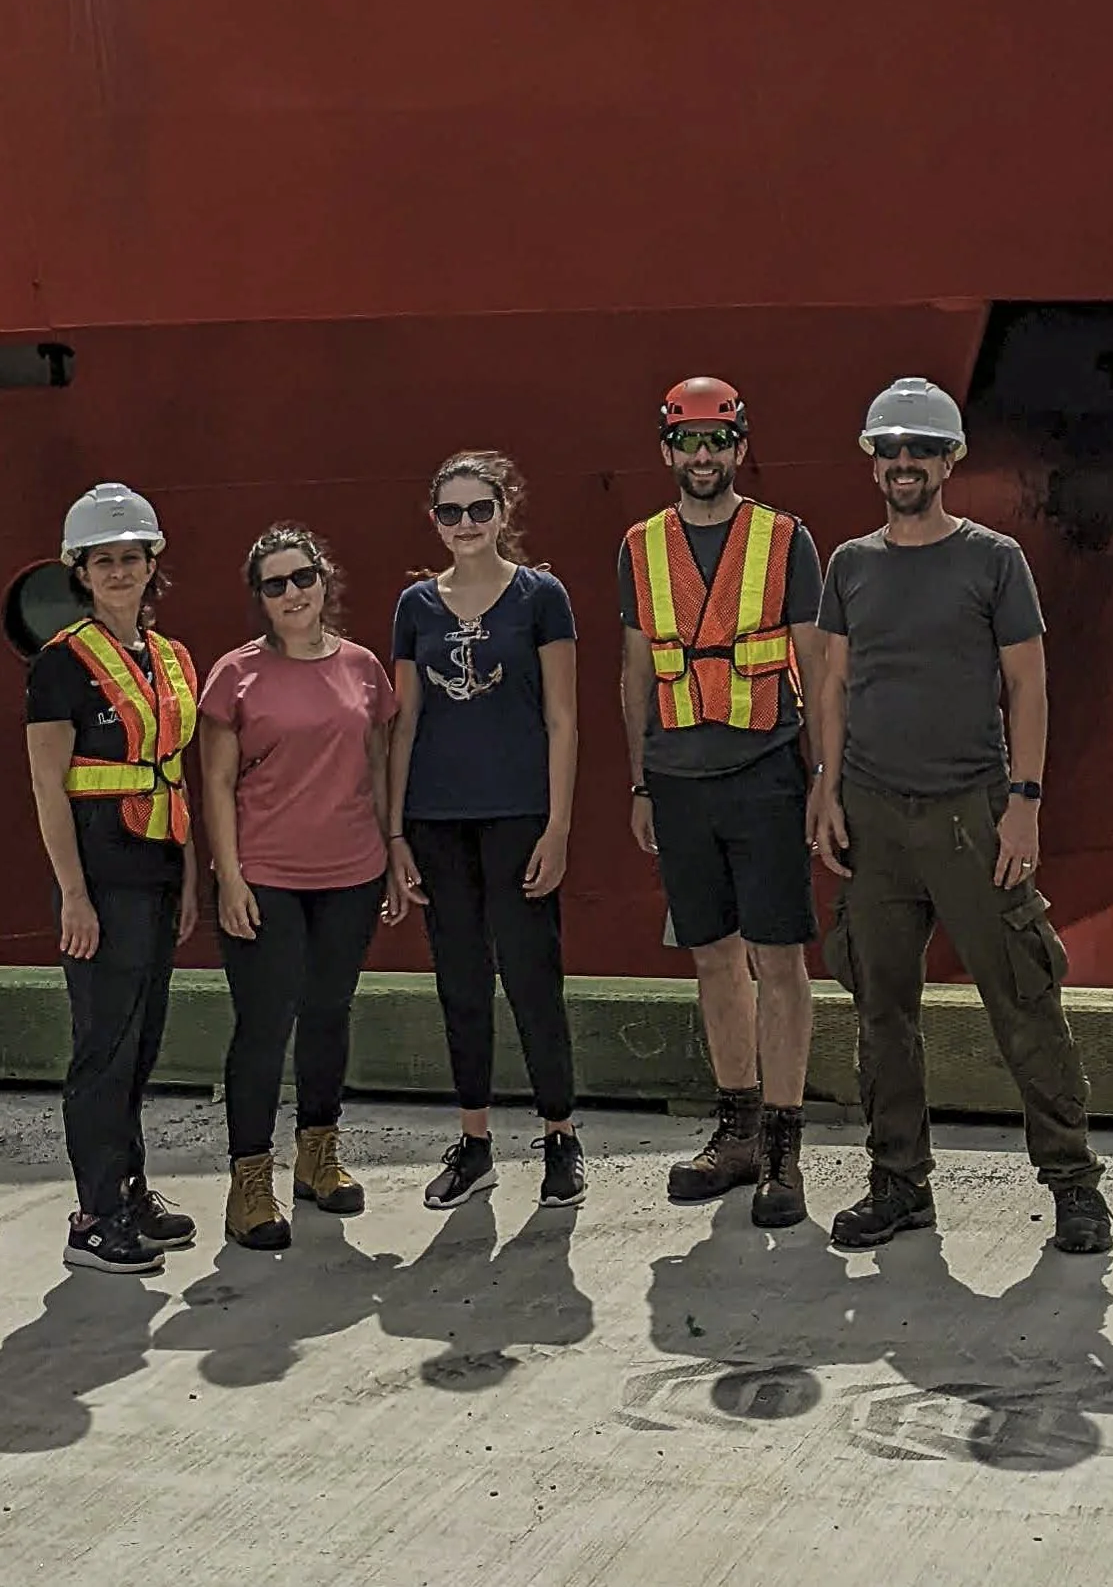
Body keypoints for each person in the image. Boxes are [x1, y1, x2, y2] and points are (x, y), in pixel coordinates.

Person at [809, 378, 1113, 1257]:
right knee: (880, 1009)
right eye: (889, 450)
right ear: (874, 464)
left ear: (949, 461)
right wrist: (824, 787)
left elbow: (1027, 684)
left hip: (970, 815)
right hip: (873, 816)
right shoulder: (849, 565)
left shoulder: (993, 560)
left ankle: (1073, 1186)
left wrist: (1024, 803)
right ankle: (898, 1183)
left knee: (1022, 997)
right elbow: (832, 681)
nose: (903, 463)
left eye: (920, 449)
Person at [620, 376, 825, 1229]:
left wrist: (825, 780)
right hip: (677, 781)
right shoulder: (641, 546)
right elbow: (635, 671)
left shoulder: (785, 540)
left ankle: (782, 1147)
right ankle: (735, 1131)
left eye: (717, 440)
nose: (702, 456)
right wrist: (639, 781)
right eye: (687, 441)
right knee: (711, 957)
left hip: (766, 772)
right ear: (665, 450)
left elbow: (818, 665)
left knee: (778, 959)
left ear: (741, 447)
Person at [198, 525, 408, 1251]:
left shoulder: (362, 668)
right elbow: (216, 784)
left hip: (352, 873)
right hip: (266, 877)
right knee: (264, 1026)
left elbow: (377, 765)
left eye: (302, 578)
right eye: (275, 584)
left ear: (324, 581)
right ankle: (249, 1181)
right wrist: (230, 878)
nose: (292, 593)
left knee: (328, 1013)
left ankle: (318, 1154)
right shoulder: (235, 675)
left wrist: (391, 850)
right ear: (259, 598)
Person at [388, 450, 584, 1212]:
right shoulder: (414, 607)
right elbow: (404, 724)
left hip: (518, 816)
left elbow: (562, 719)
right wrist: (396, 832)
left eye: (479, 509)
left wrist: (558, 826)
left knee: (534, 978)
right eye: (451, 512)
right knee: (460, 982)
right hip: (438, 820)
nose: (465, 523)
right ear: (434, 520)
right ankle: (474, 1144)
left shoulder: (542, 597)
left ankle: (560, 1135)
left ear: (503, 512)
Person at [23, 483, 200, 1275]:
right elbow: (47, 786)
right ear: (82, 573)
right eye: (104, 561)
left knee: (141, 1043)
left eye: (132, 557)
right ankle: (93, 1217)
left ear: (150, 564)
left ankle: (129, 1191)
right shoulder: (60, 666)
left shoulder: (170, 658)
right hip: (100, 878)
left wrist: (187, 878)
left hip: (157, 869)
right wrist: (73, 895)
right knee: (103, 1048)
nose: (120, 571)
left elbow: (176, 772)